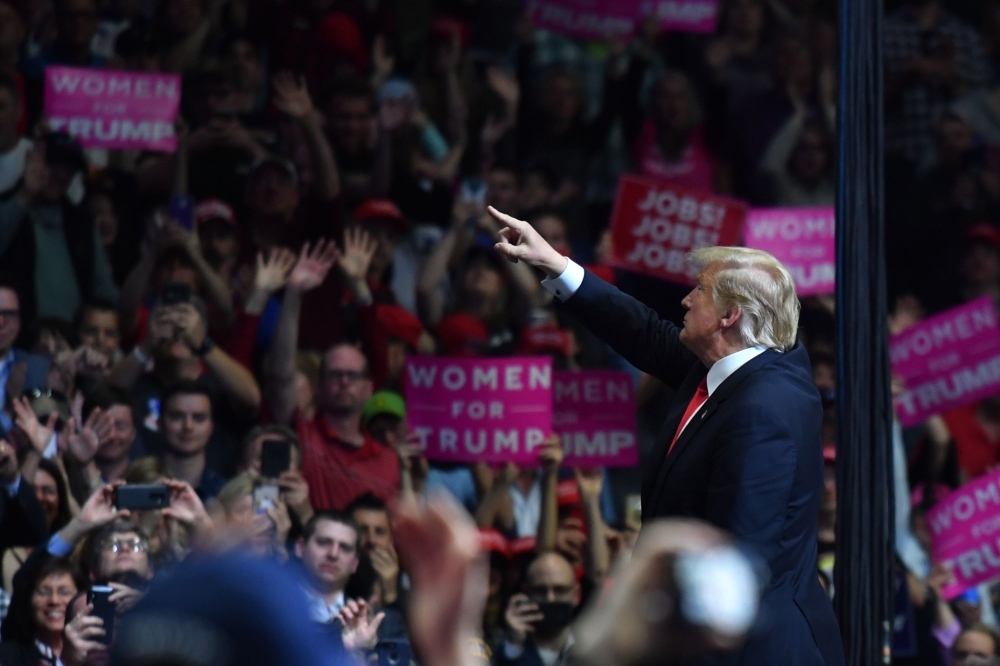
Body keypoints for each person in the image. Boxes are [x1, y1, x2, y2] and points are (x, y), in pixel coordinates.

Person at [487, 205, 844, 665]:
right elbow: (646, 334)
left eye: (700, 290)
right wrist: (555, 264)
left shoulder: (762, 412)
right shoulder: (743, 367)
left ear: (729, 316)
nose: (685, 300)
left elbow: (737, 564)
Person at [267, 242, 401, 511]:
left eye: (352, 376)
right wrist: (293, 294)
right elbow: (281, 374)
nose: (343, 382)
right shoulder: (302, 437)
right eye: (335, 374)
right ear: (319, 386)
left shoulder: (389, 460)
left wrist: (360, 289)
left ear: (368, 387)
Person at [0, 133, 118, 324]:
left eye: (69, 169)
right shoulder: (8, 206)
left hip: (71, 343)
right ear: (33, 162)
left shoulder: (82, 224)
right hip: (14, 343)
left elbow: (103, 292)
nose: (61, 175)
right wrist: (26, 194)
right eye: (54, 164)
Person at [497, 552, 580, 666]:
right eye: (540, 590)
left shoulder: (592, 649)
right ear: (525, 593)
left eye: (560, 590)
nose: (550, 598)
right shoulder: (502, 647)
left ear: (576, 595)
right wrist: (513, 646)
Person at [0, 556, 86, 666]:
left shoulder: (96, 654)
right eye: (43, 592)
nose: (54, 600)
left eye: (64, 592)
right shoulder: (7, 657)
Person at [156, 380, 228, 501]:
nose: (188, 426)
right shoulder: (137, 486)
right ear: (160, 424)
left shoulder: (226, 493)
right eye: (177, 416)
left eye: (198, 418)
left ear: (211, 428)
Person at [296, 511, 361, 624]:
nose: (333, 554)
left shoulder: (378, 623)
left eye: (345, 548)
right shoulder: (269, 610)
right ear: (300, 547)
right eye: (324, 542)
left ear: (355, 563)